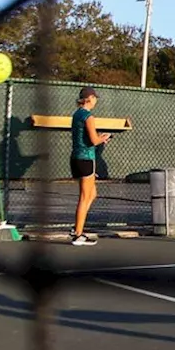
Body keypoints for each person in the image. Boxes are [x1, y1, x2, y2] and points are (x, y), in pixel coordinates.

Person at [71, 87, 112, 246]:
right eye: (95, 98)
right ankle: (78, 234)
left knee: (92, 194)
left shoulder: (76, 114)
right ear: (90, 98)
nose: (96, 101)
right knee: (84, 197)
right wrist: (104, 137)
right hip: (86, 159)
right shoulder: (88, 116)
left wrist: (99, 138)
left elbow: (88, 138)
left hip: (76, 158)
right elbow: (94, 141)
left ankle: (77, 226)